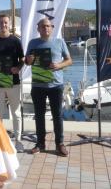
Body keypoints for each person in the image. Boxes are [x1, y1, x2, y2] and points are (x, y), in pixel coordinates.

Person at [25, 18, 72, 157]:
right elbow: (27, 62)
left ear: (52, 28)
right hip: (38, 85)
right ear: (38, 28)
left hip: (56, 85)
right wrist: (29, 60)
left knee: (57, 115)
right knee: (39, 116)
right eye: (43, 26)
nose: (46, 28)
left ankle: (60, 144)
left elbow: (69, 60)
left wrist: (59, 65)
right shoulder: (33, 43)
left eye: (48, 26)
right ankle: (40, 144)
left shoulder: (59, 42)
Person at [0, 14, 24, 152]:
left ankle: (18, 141)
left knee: (16, 113)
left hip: (13, 82)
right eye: (1, 22)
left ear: (9, 24)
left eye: (6, 22)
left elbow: (22, 59)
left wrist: (18, 68)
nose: (4, 25)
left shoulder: (16, 41)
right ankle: (0, 141)